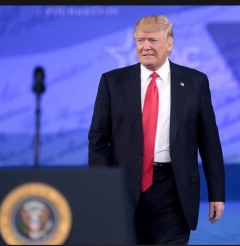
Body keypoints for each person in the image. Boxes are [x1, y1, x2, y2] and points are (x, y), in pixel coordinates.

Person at [88, 15, 225, 245]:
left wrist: (217, 194)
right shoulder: (113, 82)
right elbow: (98, 140)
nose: (145, 47)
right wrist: (103, 188)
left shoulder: (195, 82)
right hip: (124, 189)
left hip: (174, 191)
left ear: (169, 44)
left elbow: (209, 142)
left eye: (152, 40)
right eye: (140, 41)